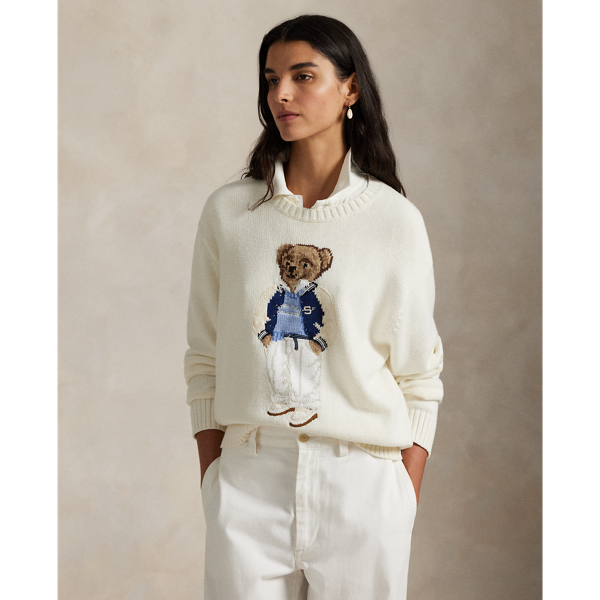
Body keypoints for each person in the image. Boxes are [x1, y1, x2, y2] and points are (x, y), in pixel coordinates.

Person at [184, 14, 444, 600]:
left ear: (350, 88)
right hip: (249, 479)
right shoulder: (229, 214)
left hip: (363, 483)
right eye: (271, 78)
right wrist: (215, 478)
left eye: (303, 76)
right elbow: (205, 356)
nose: (281, 94)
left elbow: (419, 374)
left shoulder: (394, 221)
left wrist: (402, 496)